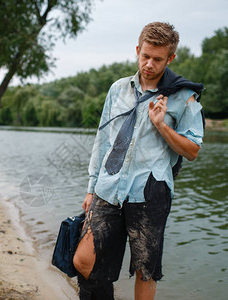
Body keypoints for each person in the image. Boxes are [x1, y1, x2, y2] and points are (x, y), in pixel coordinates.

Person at [73, 22, 204, 300]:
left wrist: (162, 125)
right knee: (83, 261)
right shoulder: (118, 89)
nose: (149, 64)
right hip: (108, 188)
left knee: (145, 270)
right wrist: (90, 186)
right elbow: (103, 141)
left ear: (170, 58)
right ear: (137, 50)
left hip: (149, 192)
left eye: (158, 59)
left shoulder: (183, 96)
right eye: (145, 56)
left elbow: (192, 150)